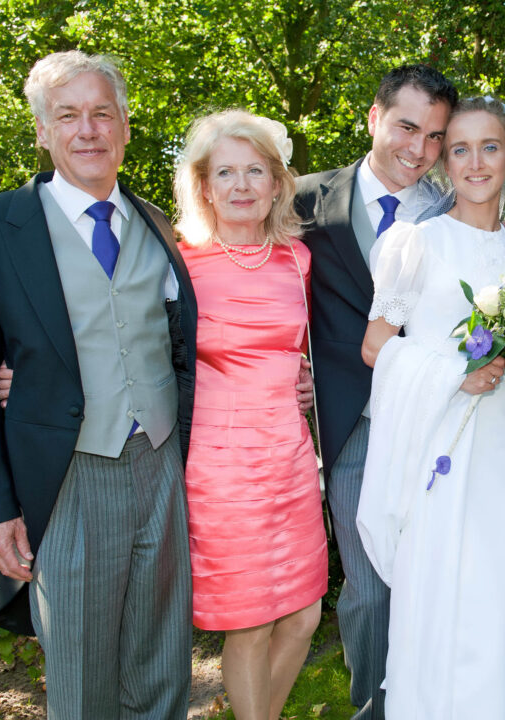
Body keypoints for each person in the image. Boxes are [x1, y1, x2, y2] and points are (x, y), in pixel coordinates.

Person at [0, 50, 196, 718]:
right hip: (68, 476)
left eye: (102, 114)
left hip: (161, 462)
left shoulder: (157, 225)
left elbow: (181, 345)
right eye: (67, 116)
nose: (88, 130)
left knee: (164, 666)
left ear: (125, 127)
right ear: (42, 130)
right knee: (82, 681)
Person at [293, 64, 505, 719]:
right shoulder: (302, 202)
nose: (420, 149)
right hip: (354, 421)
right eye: (407, 128)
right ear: (374, 118)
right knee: (373, 590)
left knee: (456, 581)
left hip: (459, 427)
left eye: (435, 137)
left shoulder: (454, 204)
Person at [358, 94, 505, 719]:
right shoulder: (415, 243)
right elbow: (375, 346)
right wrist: (456, 374)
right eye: (460, 150)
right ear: (445, 163)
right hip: (443, 446)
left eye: (489, 148)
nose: (475, 163)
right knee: (454, 597)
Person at [173, 109, 327, 720]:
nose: (242, 185)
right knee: (251, 622)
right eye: (226, 172)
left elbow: (301, 346)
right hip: (220, 467)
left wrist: (305, 378)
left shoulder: (298, 259)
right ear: (204, 187)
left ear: (277, 183)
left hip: (290, 455)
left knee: (305, 614)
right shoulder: (180, 264)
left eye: (255, 171)